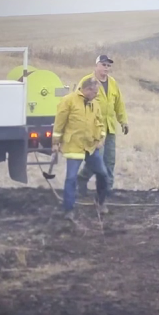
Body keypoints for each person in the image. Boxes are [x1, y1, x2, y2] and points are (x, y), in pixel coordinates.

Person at [53, 77, 109, 222]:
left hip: (91, 147)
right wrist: (55, 143)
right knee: (71, 178)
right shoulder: (68, 101)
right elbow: (59, 123)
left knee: (103, 174)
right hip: (74, 146)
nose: (96, 95)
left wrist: (101, 139)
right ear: (87, 89)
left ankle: (100, 202)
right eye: (95, 92)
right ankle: (69, 209)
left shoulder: (95, 104)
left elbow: (100, 123)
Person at [77, 54, 128, 191]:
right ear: (96, 66)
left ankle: (106, 190)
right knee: (96, 159)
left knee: (109, 160)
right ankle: (81, 179)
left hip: (110, 128)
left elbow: (119, 104)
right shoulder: (87, 81)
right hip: (94, 129)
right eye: (103, 65)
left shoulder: (112, 83)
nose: (106, 68)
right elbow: (78, 103)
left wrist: (123, 121)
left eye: (108, 65)